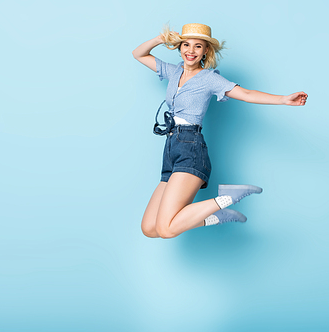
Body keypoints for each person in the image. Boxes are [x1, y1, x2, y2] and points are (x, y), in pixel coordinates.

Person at [132, 23, 308, 239]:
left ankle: (226, 198)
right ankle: (217, 217)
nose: (190, 51)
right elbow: (139, 54)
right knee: (150, 228)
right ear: (179, 47)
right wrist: (161, 39)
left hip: (190, 148)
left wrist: (283, 99)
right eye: (186, 45)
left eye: (198, 46)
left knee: (166, 229)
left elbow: (246, 93)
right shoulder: (173, 71)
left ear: (206, 51)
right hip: (170, 149)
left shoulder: (209, 79)